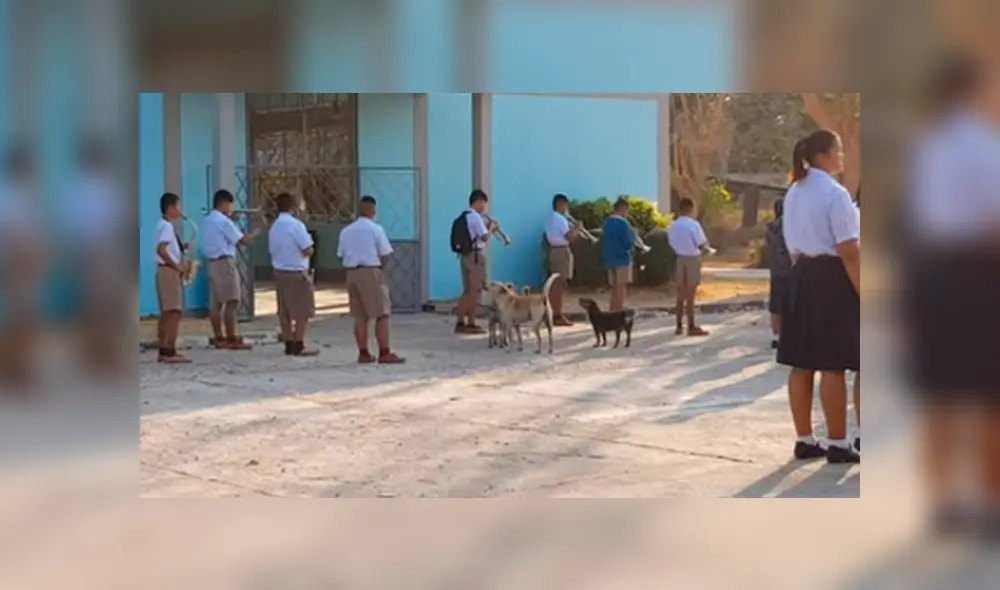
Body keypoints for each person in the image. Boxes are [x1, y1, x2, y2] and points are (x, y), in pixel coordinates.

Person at [905, 53, 1000, 533]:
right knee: (989, 396)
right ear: (976, 88)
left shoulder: (929, 147)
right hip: (977, 277)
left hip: (931, 276)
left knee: (940, 394)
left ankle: (942, 503)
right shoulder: (984, 146)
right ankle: (990, 504)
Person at [778, 129, 861, 464]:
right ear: (825, 156)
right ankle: (839, 443)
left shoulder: (794, 190)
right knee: (832, 365)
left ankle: (804, 439)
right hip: (830, 278)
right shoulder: (834, 193)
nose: (843, 157)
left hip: (799, 275)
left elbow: (792, 245)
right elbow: (849, 251)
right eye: (839, 151)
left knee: (801, 363)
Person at [337, 195, 405, 364]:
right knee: (382, 313)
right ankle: (384, 351)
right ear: (373, 211)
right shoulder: (376, 229)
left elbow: (341, 255)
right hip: (370, 271)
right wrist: (379, 270)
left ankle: (363, 352)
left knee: (360, 315)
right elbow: (385, 254)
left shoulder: (346, 231)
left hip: (352, 272)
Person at [201, 189, 260, 350]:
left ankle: (219, 337)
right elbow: (243, 240)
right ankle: (231, 337)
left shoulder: (208, 220)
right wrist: (256, 232)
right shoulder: (223, 222)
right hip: (225, 262)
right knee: (232, 300)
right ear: (224, 204)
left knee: (217, 303)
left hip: (212, 263)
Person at [269, 192, 319, 357]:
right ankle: (299, 342)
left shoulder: (274, 227)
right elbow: (307, 249)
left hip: (279, 271)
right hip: (296, 271)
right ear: (293, 206)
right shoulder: (296, 225)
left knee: (284, 310)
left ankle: (288, 342)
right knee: (302, 310)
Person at [666, 198, 712, 336]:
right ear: (691, 209)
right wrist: (707, 252)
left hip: (680, 258)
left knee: (680, 294)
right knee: (690, 294)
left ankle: (679, 325)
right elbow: (702, 243)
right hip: (692, 257)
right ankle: (691, 325)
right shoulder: (693, 225)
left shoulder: (673, 226)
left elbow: (671, 243)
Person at [155, 192, 191, 364]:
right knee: (174, 312)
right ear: (170, 208)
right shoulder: (167, 227)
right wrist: (178, 266)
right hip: (169, 271)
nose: (180, 210)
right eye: (177, 206)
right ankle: (169, 350)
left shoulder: (163, 225)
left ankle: (163, 349)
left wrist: (182, 247)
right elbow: (161, 250)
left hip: (164, 270)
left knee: (167, 311)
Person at [453, 189, 494, 334]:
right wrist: (492, 229)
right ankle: (470, 322)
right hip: (475, 256)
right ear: (478, 202)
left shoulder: (465, 216)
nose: (484, 207)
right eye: (483, 203)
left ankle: (460, 321)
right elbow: (484, 237)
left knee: (467, 290)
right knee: (475, 290)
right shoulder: (475, 217)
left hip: (465, 255)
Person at [544, 193, 584, 326]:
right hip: (561, 251)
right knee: (559, 285)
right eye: (566, 205)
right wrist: (577, 229)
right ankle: (557, 314)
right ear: (560, 205)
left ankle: (553, 313)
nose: (567, 209)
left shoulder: (551, 219)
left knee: (556, 284)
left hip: (554, 250)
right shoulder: (560, 219)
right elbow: (569, 237)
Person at [602, 197, 638, 312]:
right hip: (622, 258)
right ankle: (619, 310)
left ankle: (612, 309)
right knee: (621, 287)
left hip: (610, 258)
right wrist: (635, 236)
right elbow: (628, 242)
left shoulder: (607, 222)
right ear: (623, 209)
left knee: (614, 288)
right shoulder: (623, 223)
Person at [764, 197, 792, 349]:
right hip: (790, 269)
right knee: (790, 304)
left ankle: (778, 335)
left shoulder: (770, 228)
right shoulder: (789, 225)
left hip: (775, 270)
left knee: (776, 305)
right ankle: (790, 335)